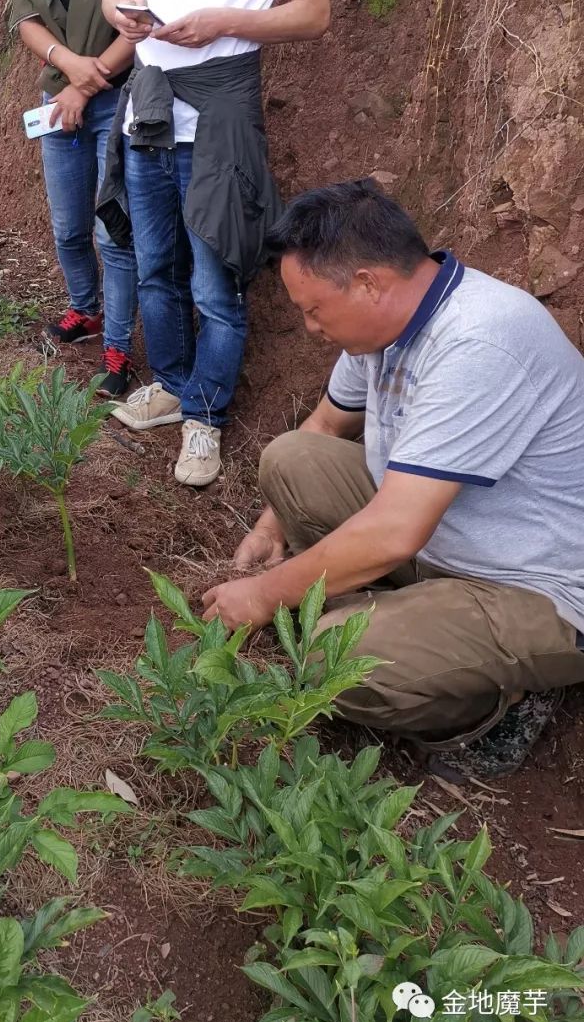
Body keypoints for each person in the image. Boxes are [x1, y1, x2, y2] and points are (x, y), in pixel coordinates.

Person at [201, 180, 584, 782]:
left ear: (368, 283)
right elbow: (326, 425)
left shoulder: (481, 340)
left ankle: (494, 705)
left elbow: (395, 531)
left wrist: (265, 594)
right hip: (446, 537)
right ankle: (410, 616)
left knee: (332, 657)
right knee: (289, 460)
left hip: (536, 586)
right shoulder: (385, 329)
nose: (310, 328)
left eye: (312, 309)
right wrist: (270, 527)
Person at [100, 0, 330, 487]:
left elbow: (312, 13)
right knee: (156, 264)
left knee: (214, 278)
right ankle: (170, 382)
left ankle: (205, 415)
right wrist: (128, 15)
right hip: (149, 107)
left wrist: (223, 19)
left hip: (220, 113)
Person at [10, 0, 139, 397]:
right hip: (61, 93)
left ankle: (117, 347)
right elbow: (25, 15)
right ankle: (83, 308)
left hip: (121, 92)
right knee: (67, 225)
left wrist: (88, 83)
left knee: (112, 226)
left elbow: (148, 11)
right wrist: (67, 71)